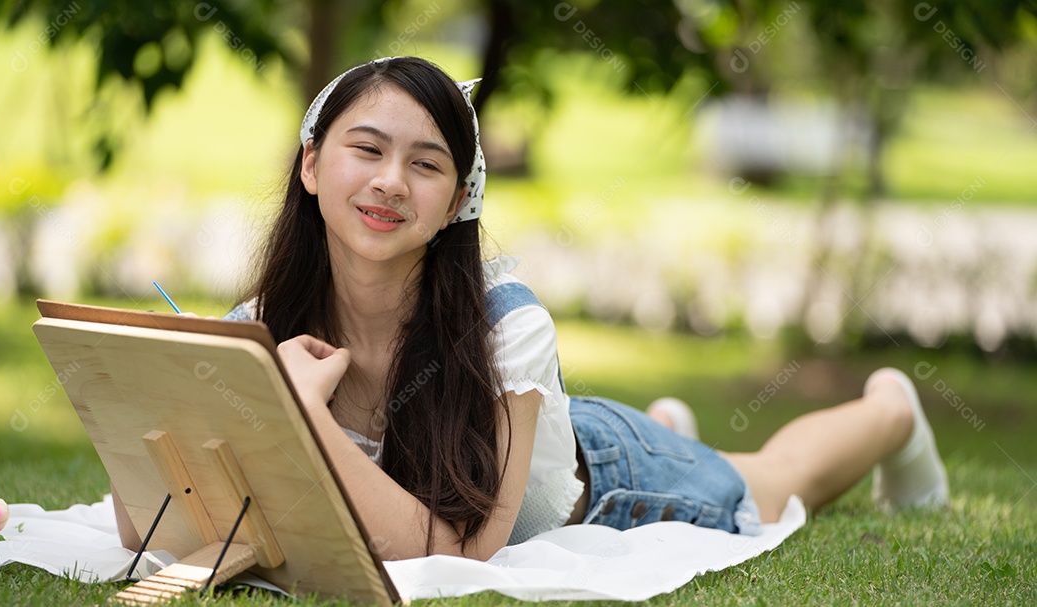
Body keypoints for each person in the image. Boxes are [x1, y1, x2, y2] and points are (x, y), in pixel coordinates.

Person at [114, 57, 949, 562]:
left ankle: (891, 412)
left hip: (612, 486)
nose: (389, 182)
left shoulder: (508, 328)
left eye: (426, 164)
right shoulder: (262, 320)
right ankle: (670, 423)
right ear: (309, 166)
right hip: (538, 439)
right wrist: (158, 408)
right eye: (365, 149)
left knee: (777, 481)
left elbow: (460, 554)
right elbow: (152, 527)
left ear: (457, 205)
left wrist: (306, 418)